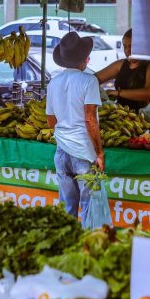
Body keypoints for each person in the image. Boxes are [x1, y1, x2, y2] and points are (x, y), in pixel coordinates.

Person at [46, 32, 103, 225]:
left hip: (61, 153)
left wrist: (64, 131)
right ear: (84, 60)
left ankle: (67, 245)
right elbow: (90, 119)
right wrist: (99, 153)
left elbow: (50, 120)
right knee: (88, 209)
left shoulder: (53, 83)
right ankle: (86, 249)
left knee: (67, 207)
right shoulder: (89, 81)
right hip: (84, 153)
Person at [95, 29, 150, 111]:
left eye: (131, 47)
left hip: (147, 118)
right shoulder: (120, 65)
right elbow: (94, 79)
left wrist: (117, 93)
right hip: (123, 117)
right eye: (125, 47)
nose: (127, 51)